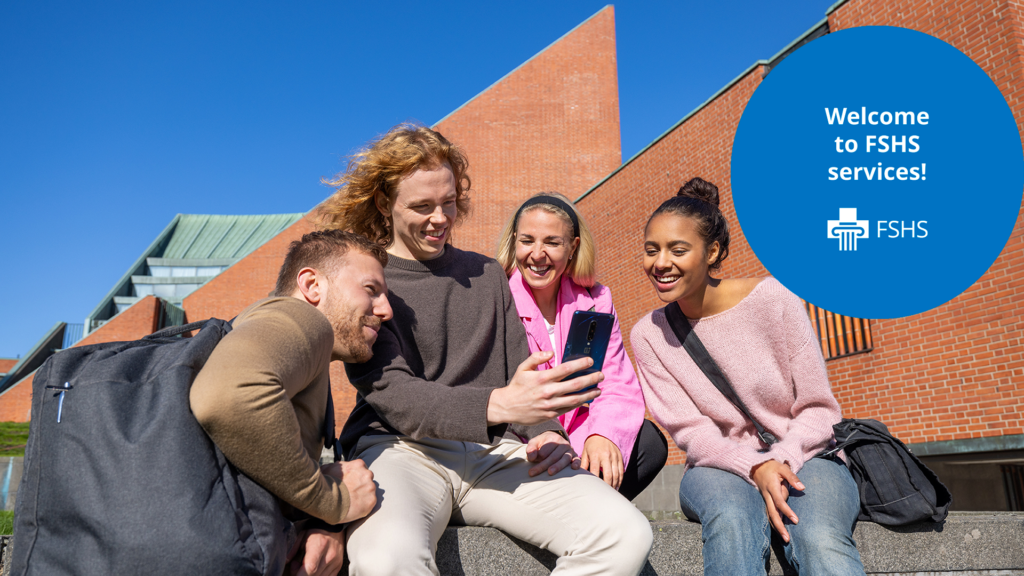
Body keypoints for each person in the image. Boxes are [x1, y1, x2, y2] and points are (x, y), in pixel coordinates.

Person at [320, 123, 653, 576]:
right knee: (385, 558)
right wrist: (499, 403)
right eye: (422, 206)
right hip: (400, 449)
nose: (440, 218)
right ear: (385, 203)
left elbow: (520, 369)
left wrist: (547, 431)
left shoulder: (487, 274)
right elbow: (395, 396)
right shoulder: (370, 279)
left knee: (625, 533)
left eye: (449, 202)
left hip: (492, 454)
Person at [629, 178, 865, 576]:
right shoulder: (648, 335)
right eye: (652, 250)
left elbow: (819, 410)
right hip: (715, 466)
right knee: (732, 522)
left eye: (678, 249)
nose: (660, 263)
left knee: (818, 537)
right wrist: (754, 467)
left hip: (807, 455)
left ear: (713, 251)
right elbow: (692, 432)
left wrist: (779, 460)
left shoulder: (775, 299)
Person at [190, 229, 392, 576]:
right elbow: (229, 394)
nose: (385, 310)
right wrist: (332, 501)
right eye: (371, 290)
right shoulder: (303, 321)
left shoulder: (267, 330)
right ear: (312, 286)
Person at [495, 192, 668, 500]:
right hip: (523, 439)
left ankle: (581, 512)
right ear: (513, 243)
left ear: (572, 248)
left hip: (578, 438)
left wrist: (604, 435)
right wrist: (546, 433)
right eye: (527, 241)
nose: (537, 254)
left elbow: (615, 382)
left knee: (650, 442)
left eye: (552, 242)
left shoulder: (596, 302)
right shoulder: (496, 300)